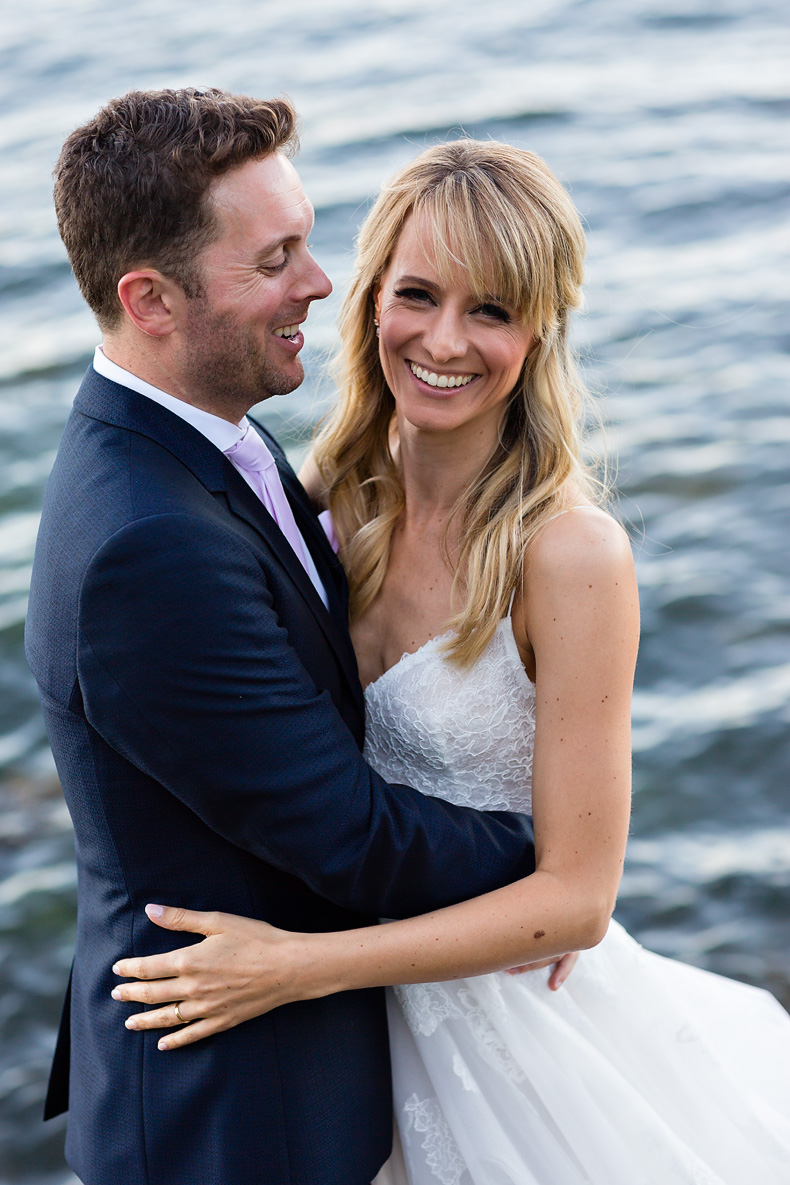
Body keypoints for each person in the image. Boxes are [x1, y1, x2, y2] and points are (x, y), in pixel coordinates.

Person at [113, 140, 790, 1184]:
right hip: (346, 1050)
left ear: (541, 327)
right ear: (370, 296)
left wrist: (296, 969)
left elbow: (577, 901)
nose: (443, 341)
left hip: (516, 1035)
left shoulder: (568, 556)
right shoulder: (330, 497)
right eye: (417, 295)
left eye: (492, 310)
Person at [24, 91, 574, 1185]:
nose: (321, 284)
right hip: (242, 1119)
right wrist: (553, 871)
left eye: (311, 243)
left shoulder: (216, 445)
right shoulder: (148, 543)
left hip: (342, 1052)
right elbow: (351, 839)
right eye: (275, 258)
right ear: (151, 299)